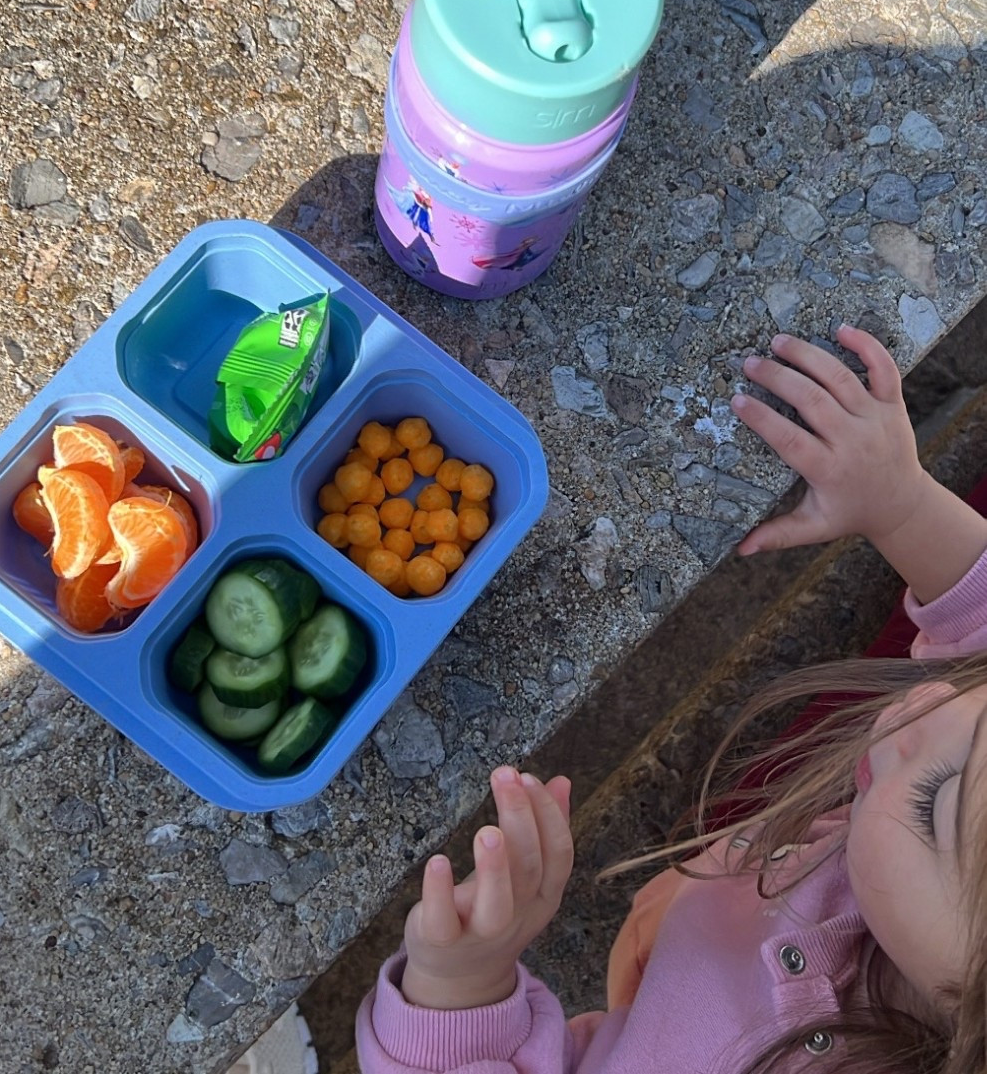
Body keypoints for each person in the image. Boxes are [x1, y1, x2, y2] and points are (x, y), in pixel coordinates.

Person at [355, 324, 987, 1073]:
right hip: (717, 902)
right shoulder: (932, 859)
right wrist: (901, 503)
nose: (909, 709)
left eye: (936, 803)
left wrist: (459, 989)